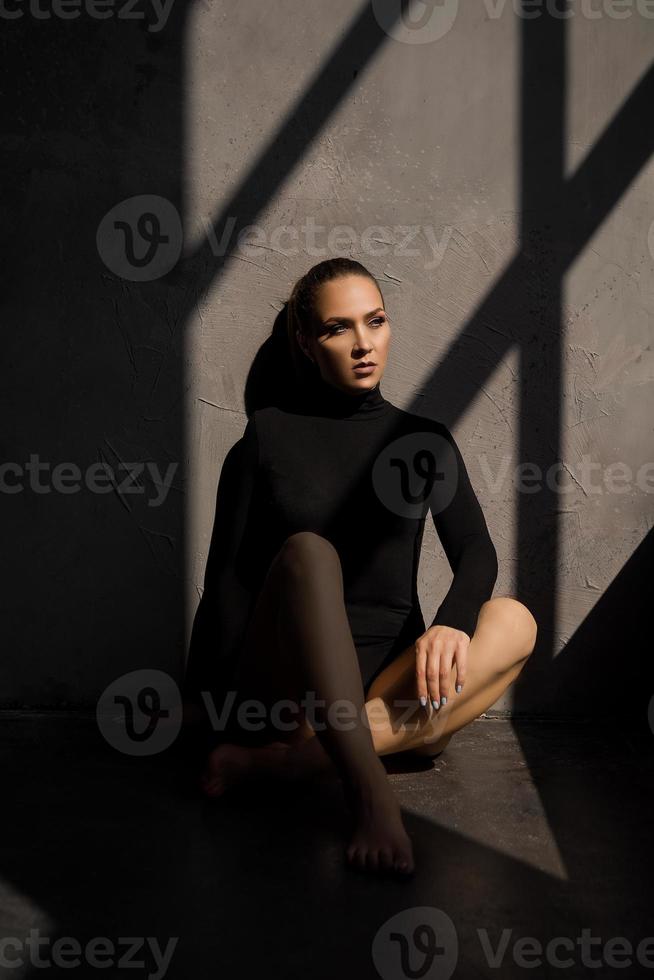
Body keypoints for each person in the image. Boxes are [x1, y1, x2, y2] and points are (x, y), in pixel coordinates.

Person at [183, 257, 538, 877]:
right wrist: (204, 707)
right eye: (337, 329)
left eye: (375, 321)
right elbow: (226, 585)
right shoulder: (267, 436)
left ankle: (293, 764)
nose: (363, 344)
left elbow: (477, 553)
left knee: (514, 619)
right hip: (292, 692)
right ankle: (370, 792)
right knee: (309, 552)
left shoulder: (424, 440)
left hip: (392, 683)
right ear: (305, 341)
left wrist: (452, 623)